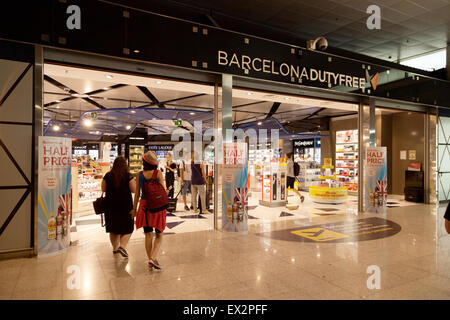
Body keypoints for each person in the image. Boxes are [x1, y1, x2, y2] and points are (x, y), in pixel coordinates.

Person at [130, 151, 167, 270]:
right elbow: (163, 190)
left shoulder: (139, 174)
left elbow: (137, 194)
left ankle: (150, 259)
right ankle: (152, 258)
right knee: (159, 233)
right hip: (157, 206)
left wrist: (134, 209)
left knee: (148, 234)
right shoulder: (158, 173)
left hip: (144, 206)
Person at [101, 156, 136, 258]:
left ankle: (115, 249)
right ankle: (122, 246)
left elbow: (103, 189)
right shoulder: (128, 176)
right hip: (125, 206)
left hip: (110, 206)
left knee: (113, 228)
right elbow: (134, 189)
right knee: (128, 228)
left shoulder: (108, 175)